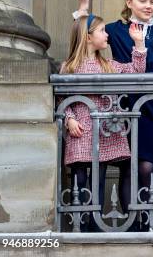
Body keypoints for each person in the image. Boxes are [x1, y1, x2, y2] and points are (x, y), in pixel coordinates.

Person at [70, 0, 153, 227]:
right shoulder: (114, 30)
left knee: (146, 167)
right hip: (119, 108)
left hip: (150, 109)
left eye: (152, 1)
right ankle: (129, 226)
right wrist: (82, 6)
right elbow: (83, 30)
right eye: (142, 1)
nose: (148, 5)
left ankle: (143, 223)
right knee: (127, 166)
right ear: (129, 2)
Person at [60, 13, 146, 230]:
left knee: (98, 180)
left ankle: (95, 227)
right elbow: (62, 98)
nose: (107, 34)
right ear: (88, 37)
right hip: (80, 130)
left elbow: (136, 71)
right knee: (80, 181)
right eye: (102, 31)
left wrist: (139, 43)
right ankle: (81, 226)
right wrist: (69, 119)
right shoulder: (69, 67)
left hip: (106, 132)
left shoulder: (109, 65)